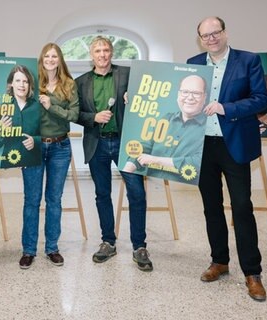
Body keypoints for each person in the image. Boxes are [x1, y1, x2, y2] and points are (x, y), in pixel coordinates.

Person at [187, 17, 267, 301]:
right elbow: (181, 95)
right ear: (199, 39)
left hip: (234, 144)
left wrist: (226, 107)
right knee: (211, 207)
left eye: (215, 33)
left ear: (224, 33)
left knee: (241, 207)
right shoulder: (194, 61)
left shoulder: (248, 61)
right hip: (202, 146)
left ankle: (252, 272)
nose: (211, 39)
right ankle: (219, 261)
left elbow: (261, 99)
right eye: (205, 35)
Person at [76, 36, 153, 272]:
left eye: (106, 50)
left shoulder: (129, 74)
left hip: (125, 143)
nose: (102, 54)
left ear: (112, 52)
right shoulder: (80, 82)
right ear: (92, 55)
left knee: (137, 193)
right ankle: (108, 241)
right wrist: (93, 117)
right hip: (96, 143)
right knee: (102, 194)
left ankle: (140, 246)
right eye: (98, 50)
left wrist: (136, 98)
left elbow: (149, 99)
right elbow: (75, 113)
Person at [14, 43, 79, 269]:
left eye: (54, 56)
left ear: (60, 60)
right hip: (34, 146)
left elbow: (74, 114)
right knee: (31, 200)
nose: (50, 59)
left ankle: (52, 248)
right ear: (41, 59)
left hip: (60, 148)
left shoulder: (69, 84)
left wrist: (52, 106)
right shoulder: (31, 81)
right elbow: (17, 103)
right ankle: (28, 250)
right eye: (46, 56)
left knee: (54, 200)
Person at [122, 74, 207, 184]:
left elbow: (198, 162)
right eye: (185, 92)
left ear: (204, 97)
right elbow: (146, 146)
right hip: (154, 183)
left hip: (183, 188)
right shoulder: (166, 119)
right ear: (178, 94)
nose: (190, 97)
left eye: (196, 93)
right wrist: (128, 169)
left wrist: (155, 160)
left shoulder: (208, 127)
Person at [0, 65, 42, 168]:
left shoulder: (38, 108)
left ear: (29, 85)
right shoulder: (3, 108)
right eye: (18, 80)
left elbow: (48, 137)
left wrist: (35, 141)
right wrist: (2, 131)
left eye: (25, 81)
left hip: (32, 164)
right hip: (9, 165)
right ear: (11, 84)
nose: (22, 85)